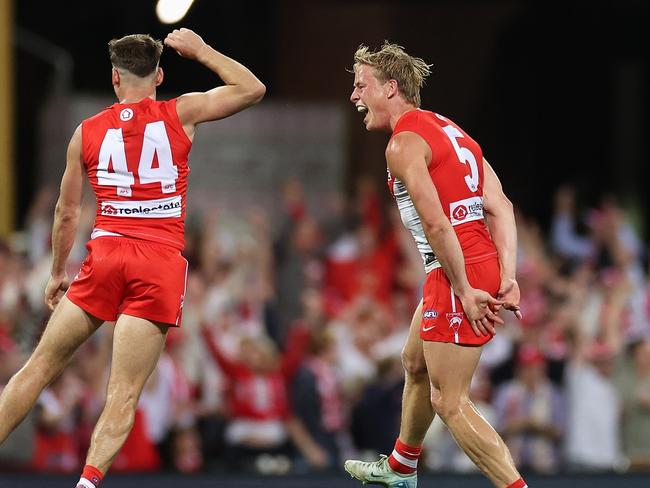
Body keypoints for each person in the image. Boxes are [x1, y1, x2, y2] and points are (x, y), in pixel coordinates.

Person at [0, 28, 265, 488]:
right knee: (123, 391)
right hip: (158, 262)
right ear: (159, 75)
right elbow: (252, 88)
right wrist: (202, 51)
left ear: (115, 79)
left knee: (38, 367)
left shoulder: (86, 132)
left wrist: (56, 272)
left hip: (105, 255)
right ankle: (87, 484)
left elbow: (66, 213)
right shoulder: (182, 112)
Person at [344, 42, 526, 488]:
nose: (354, 96)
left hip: (456, 269)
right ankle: (402, 465)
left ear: (390, 88)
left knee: (450, 401)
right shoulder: (452, 131)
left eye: (360, 85)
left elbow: (436, 223)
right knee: (414, 360)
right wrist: (509, 276)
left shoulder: (403, 143)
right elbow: (500, 206)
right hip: (464, 265)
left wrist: (464, 287)